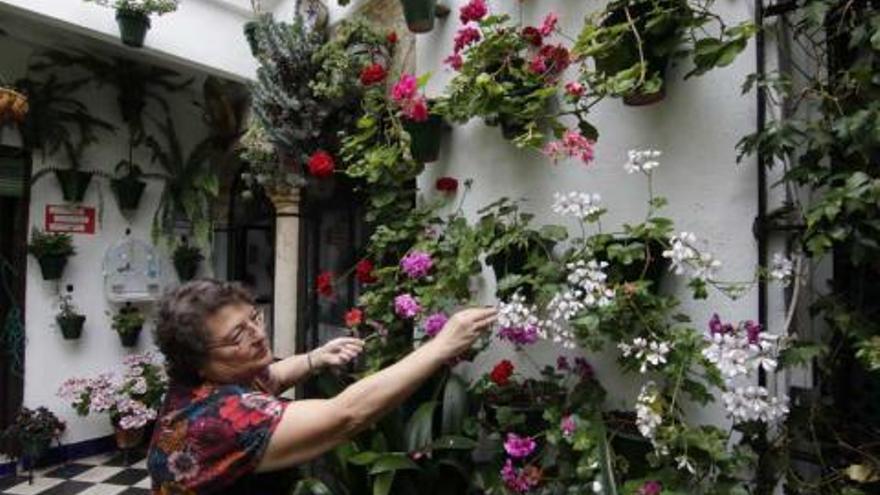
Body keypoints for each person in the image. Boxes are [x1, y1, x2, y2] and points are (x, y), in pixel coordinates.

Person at [147, 279, 497, 494]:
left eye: (254, 318)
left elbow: (275, 376)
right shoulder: (215, 420)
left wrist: (315, 357)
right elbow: (343, 416)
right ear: (198, 358)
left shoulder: (215, 377)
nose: (257, 335)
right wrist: (441, 346)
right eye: (237, 335)